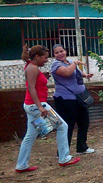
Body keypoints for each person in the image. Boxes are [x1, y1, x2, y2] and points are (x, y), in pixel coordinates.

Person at [15, 45, 81, 173]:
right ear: (37, 56)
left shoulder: (32, 67)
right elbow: (31, 88)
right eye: (45, 57)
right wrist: (40, 107)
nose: (46, 60)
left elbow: (35, 84)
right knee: (63, 127)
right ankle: (64, 158)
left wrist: (43, 76)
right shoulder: (32, 68)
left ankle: (21, 165)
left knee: (30, 136)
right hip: (37, 105)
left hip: (31, 105)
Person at [51, 44, 95, 155]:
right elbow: (67, 72)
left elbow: (77, 72)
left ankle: (82, 147)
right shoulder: (56, 65)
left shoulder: (69, 62)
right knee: (68, 125)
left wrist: (86, 75)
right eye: (57, 52)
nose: (60, 54)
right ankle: (62, 152)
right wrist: (75, 63)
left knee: (84, 122)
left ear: (65, 51)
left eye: (61, 51)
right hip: (65, 100)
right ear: (54, 55)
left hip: (79, 98)